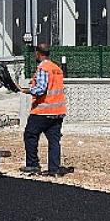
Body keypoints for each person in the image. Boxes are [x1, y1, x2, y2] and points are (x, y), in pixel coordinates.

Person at [19, 43, 68, 176]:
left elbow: (41, 89)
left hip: (43, 110)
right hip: (58, 111)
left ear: (38, 53)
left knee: (30, 135)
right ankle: (54, 169)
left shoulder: (43, 68)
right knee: (54, 141)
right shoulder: (56, 68)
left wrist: (27, 90)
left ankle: (33, 165)